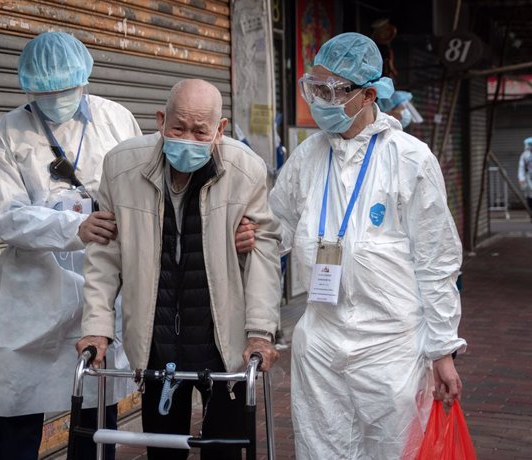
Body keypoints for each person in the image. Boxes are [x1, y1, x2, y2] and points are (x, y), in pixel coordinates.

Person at [239, 32, 467, 459]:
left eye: (335, 90)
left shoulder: (409, 159)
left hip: (392, 348)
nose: (321, 99)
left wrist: (442, 350)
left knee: (394, 450)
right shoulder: (308, 158)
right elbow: (276, 231)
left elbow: (436, 260)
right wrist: (249, 234)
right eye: (315, 88)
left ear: (367, 95)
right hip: (321, 343)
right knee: (320, 448)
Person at [76, 79, 282, 460]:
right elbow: (105, 254)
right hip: (157, 341)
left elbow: (263, 255)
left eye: (200, 130)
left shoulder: (246, 170)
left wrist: (259, 332)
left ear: (220, 129)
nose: (188, 138)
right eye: (178, 127)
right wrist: (96, 328)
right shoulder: (121, 167)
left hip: (222, 340)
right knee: (162, 451)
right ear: (160, 120)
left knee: (224, 449)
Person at [0, 31, 142, 460]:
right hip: (31, 294)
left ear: (83, 79)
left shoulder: (117, 120)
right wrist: (75, 225)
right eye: (43, 91)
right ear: (28, 87)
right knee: (14, 412)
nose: (55, 98)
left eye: (65, 89)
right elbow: (7, 215)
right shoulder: (6, 133)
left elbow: (142, 192)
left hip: (101, 284)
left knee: (94, 418)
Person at [518, 137, 532, 211]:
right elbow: (521, 167)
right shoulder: (525, 155)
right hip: (528, 177)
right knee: (529, 194)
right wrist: (521, 178)